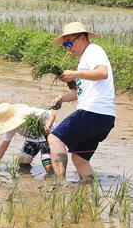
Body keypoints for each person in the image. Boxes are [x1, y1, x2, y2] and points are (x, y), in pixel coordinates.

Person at [47, 22, 115, 182]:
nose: (68, 48)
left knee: (54, 138)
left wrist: (76, 73)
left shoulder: (94, 51)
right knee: (80, 160)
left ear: (82, 38)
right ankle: (88, 194)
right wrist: (61, 98)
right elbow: (81, 92)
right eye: (65, 45)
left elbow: (102, 73)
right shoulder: (86, 59)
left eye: (70, 43)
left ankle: (60, 184)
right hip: (104, 118)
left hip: (93, 113)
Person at [0, 103, 57, 174]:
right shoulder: (10, 127)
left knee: (46, 161)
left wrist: (47, 127)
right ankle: (29, 179)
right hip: (32, 139)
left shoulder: (30, 113)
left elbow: (52, 114)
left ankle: (53, 178)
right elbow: (3, 147)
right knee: (23, 164)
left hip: (49, 135)